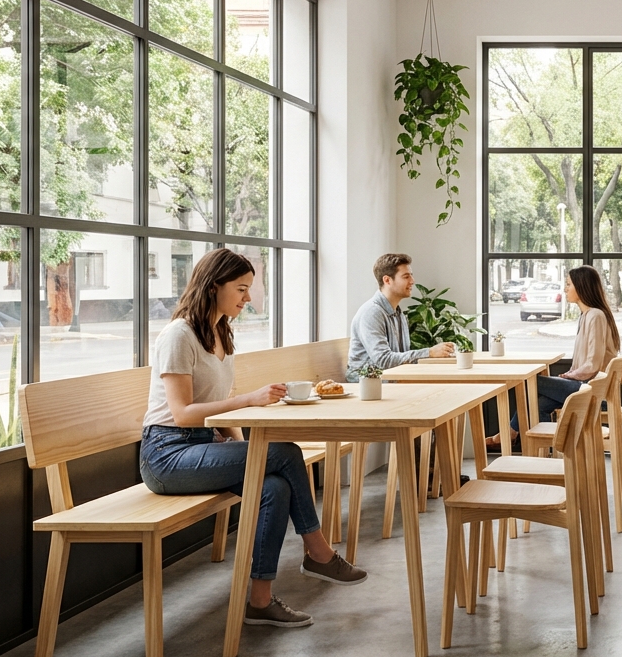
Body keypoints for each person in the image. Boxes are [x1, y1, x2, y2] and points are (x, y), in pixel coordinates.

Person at [139, 249, 367, 629]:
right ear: (214, 287)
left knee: (275, 487)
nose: (248, 298)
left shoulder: (220, 334)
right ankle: (319, 552)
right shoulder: (179, 335)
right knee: (286, 452)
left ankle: (260, 602)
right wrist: (249, 400)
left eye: (249, 289)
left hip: (203, 447)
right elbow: (181, 413)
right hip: (167, 455)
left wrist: (242, 444)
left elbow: (218, 409)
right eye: (241, 289)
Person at [489, 265, 620, 448]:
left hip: (591, 390)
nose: (565, 289)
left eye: (568, 284)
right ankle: (533, 445)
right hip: (585, 386)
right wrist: (570, 375)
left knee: (528, 382)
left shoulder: (595, 316)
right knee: (539, 404)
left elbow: (593, 364)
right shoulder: (587, 315)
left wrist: (570, 376)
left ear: (581, 287)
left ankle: (514, 435)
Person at [347, 253, 454, 381]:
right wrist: (429, 353)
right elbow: (384, 360)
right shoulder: (371, 313)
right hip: (369, 387)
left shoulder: (397, 312)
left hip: (392, 382)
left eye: (411, 275)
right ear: (387, 280)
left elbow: (400, 357)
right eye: (406, 276)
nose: (412, 281)